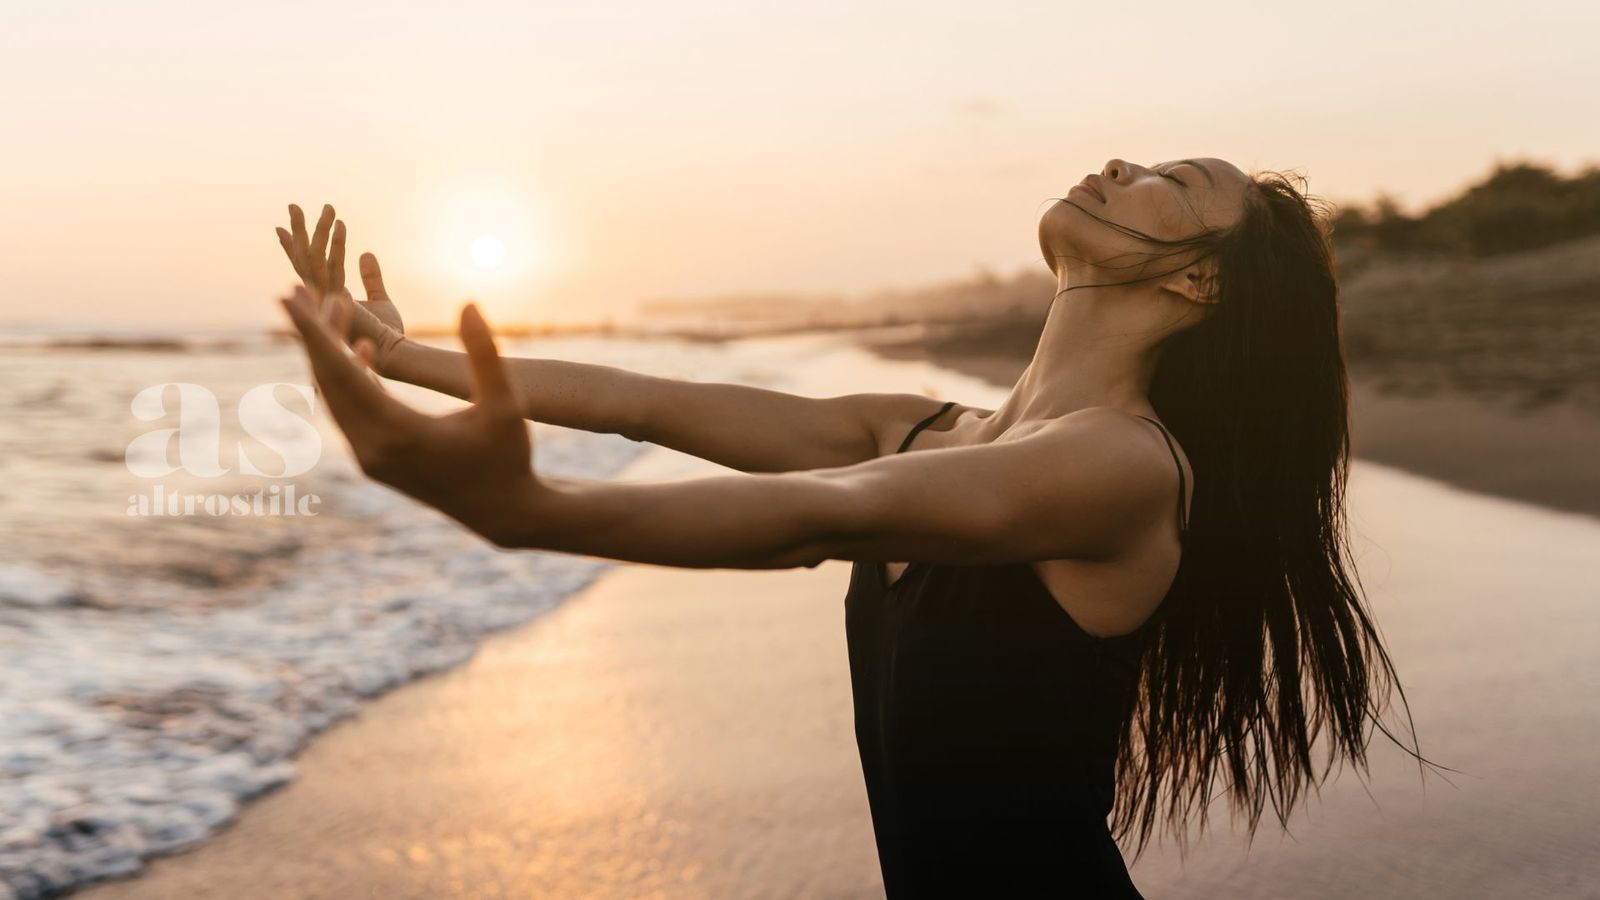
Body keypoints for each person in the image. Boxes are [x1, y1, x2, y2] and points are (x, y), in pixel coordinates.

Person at [273, 157, 1439, 897]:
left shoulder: (1117, 467)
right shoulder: (927, 425)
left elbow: (815, 516)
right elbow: (644, 399)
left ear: (1201, 286)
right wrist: (408, 355)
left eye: (1170, 187)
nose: (1120, 164)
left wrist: (533, 511)